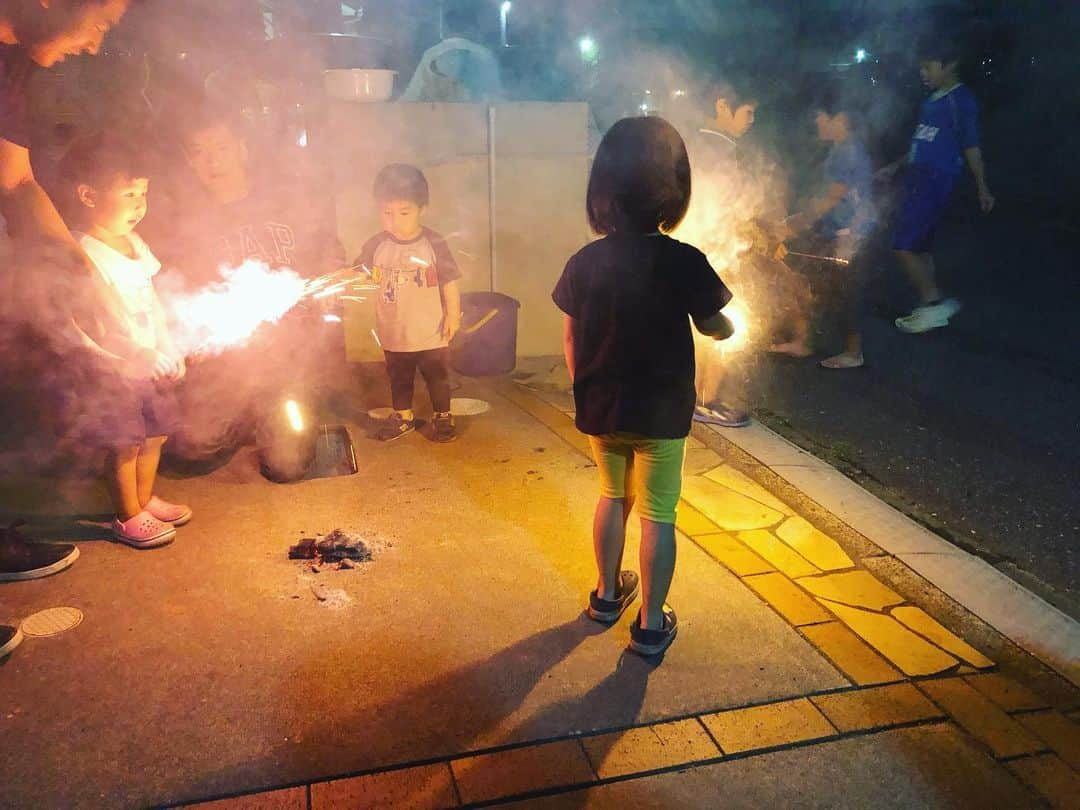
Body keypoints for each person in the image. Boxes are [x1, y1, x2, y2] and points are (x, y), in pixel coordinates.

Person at [553, 117, 735, 657]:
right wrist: (726, 327)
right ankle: (652, 624)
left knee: (613, 496)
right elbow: (714, 323)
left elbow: (570, 334)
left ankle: (607, 597)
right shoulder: (683, 260)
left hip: (602, 409)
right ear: (672, 190)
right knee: (659, 513)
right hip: (660, 415)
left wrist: (586, 384)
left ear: (601, 190)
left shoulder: (585, 261)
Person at [0, 0, 132, 621]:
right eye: (100, 21)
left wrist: (86, 277)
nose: (97, 45)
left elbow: (16, 181)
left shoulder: (14, 67)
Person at [142, 105, 346, 465]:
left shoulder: (282, 200)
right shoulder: (186, 220)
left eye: (220, 148)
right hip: (227, 364)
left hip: (288, 357)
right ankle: (245, 415)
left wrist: (333, 276)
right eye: (199, 153)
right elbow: (174, 294)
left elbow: (327, 247)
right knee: (191, 451)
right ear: (189, 161)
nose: (212, 162)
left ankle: (280, 411)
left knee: (288, 464)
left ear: (241, 149)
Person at [58, 131, 190, 548]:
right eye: (129, 193)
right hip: (113, 371)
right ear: (88, 195)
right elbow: (89, 322)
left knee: (155, 434)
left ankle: (145, 499)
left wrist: (168, 345)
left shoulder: (134, 244)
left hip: (151, 363)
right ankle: (127, 515)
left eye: (144, 192)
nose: (139, 204)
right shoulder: (84, 253)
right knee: (125, 442)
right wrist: (131, 354)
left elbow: (152, 300)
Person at [880, 38, 994, 334]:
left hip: (935, 179)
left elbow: (971, 146)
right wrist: (895, 165)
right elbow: (921, 142)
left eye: (929, 67)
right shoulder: (931, 102)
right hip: (918, 178)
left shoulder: (960, 100)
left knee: (903, 246)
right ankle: (931, 302)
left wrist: (982, 185)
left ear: (949, 65)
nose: (923, 74)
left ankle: (934, 304)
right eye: (921, 68)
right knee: (920, 247)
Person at [354, 164, 462, 443]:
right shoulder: (376, 244)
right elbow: (358, 272)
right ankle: (403, 417)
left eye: (404, 213)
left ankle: (443, 416)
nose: (394, 221)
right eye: (386, 213)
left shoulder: (434, 243)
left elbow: (449, 281)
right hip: (393, 332)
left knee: (436, 377)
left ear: (421, 209)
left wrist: (453, 315)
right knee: (399, 378)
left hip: (431, 332)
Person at [783, 87, 876, 368]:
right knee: (812, 283)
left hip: (850, 233)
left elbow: (833, 197)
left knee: (844, 292)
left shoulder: (846, 150)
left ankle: (852, 353)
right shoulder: (842, 147)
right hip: (836, 231)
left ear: (840, 119)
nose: (817, 124)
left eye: (821, 118)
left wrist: (795, 223)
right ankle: (803, 341)